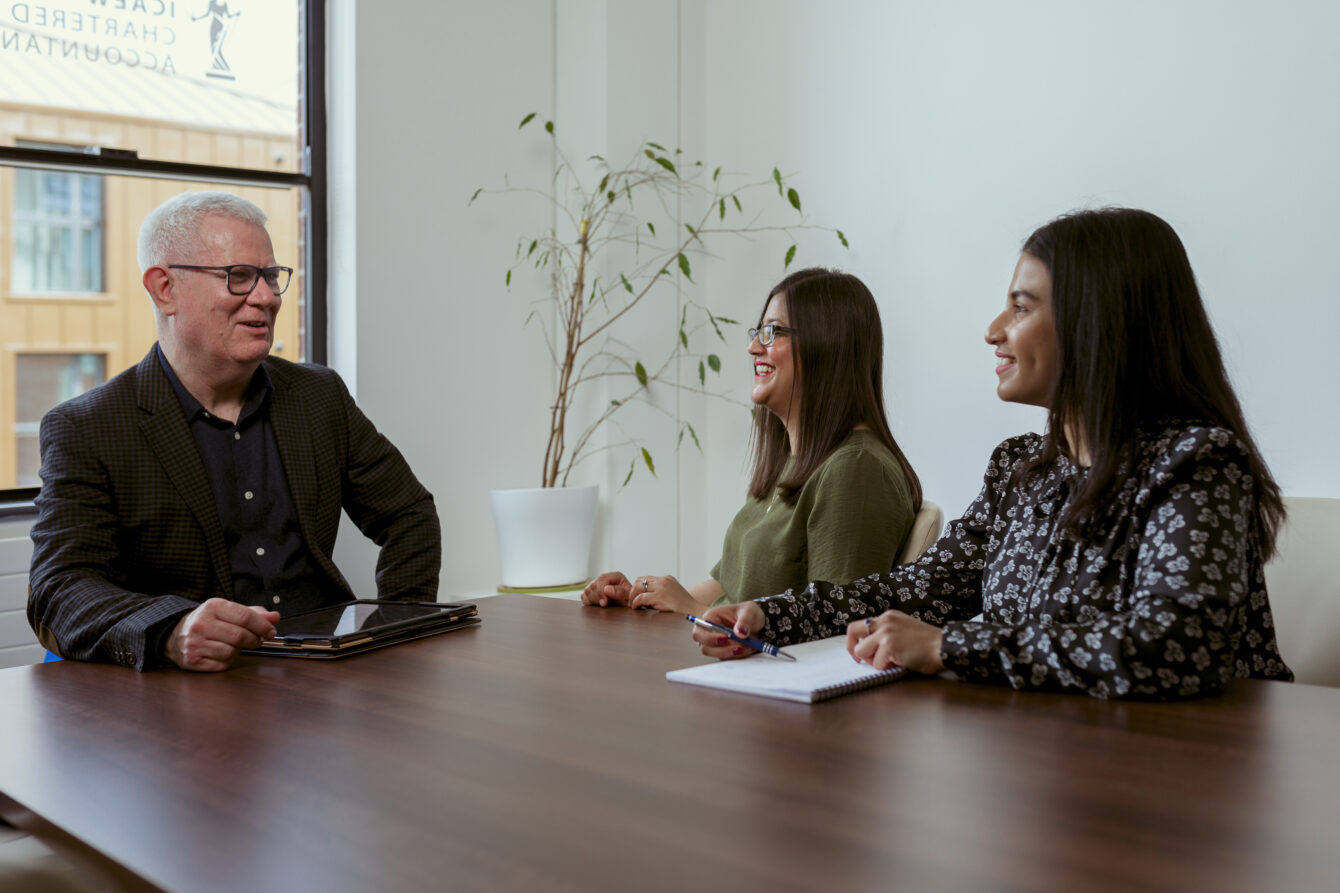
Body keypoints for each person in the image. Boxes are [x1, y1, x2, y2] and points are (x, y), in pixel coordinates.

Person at [695, 208, 1294, 698]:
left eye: (1022, 307)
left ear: (1096, 325)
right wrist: (773, 615)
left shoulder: (1197, 463)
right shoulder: (1022, 470)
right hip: (1056, 760)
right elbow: (915, 590)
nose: (994, 329)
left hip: (1197, 768)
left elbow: (1174, 647)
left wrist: (949, 646)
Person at [28, 191, 441, 672]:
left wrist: (398, 627)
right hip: (188, 688)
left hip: (326, 675)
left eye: (270, 276)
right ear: (164, 289)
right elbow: (60, 589)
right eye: (238, 276)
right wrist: (171, 631)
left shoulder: (318, 395)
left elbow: (408, 514)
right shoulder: (87, 427)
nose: (266, 297)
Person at [582, 267, 921, 614]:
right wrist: (644, 599)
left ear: (826, 343)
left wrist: (691, 611)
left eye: (772, 332)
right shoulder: (789, 464)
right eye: (758, 332)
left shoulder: (856, 470)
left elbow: (836, 624)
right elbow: (726, 588)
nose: (753, 347)